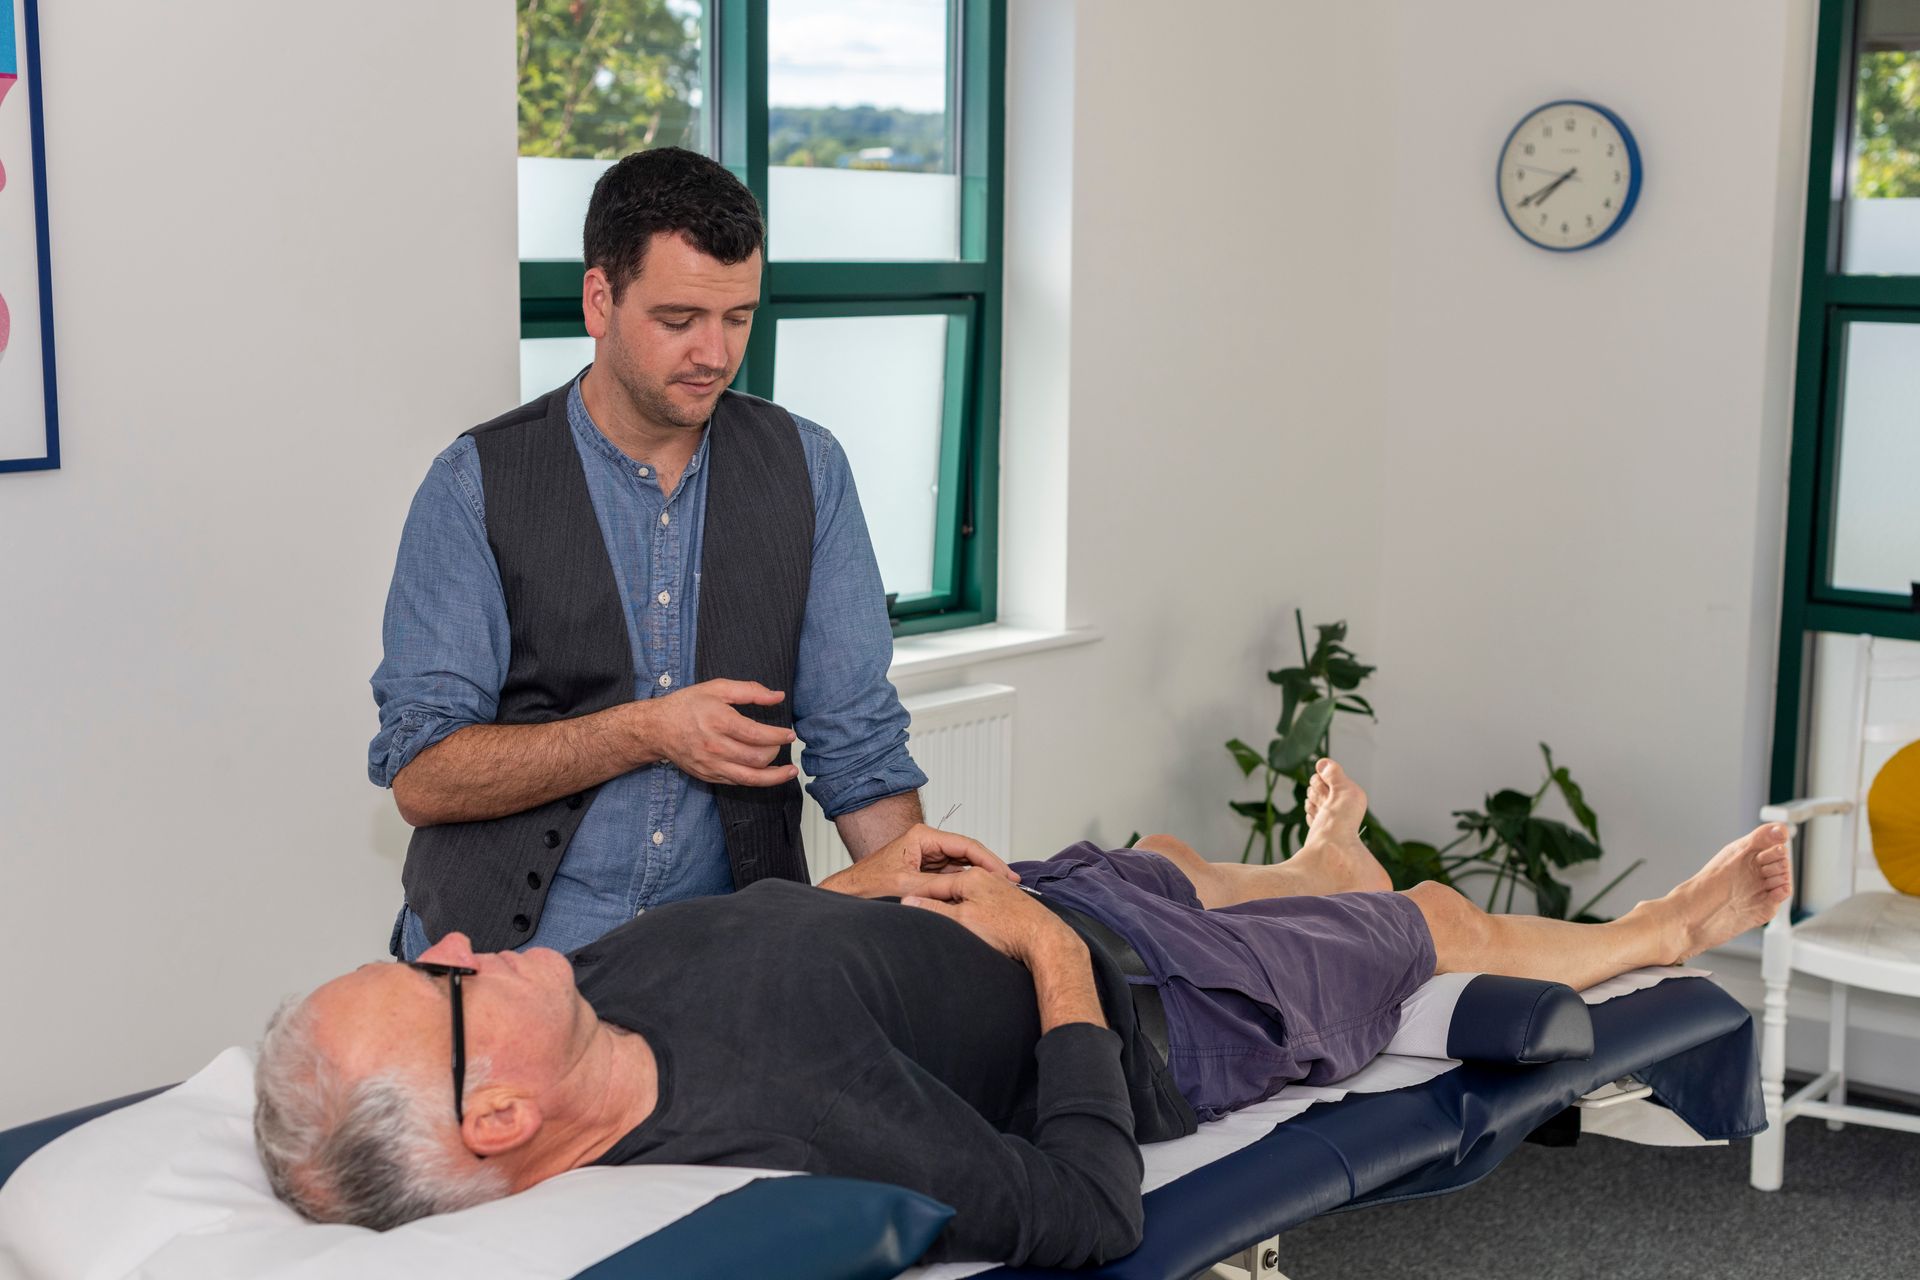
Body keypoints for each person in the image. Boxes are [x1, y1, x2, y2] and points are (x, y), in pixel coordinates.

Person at [256, 761, 1792, 1268]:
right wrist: (1050, 957)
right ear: (499, 1120)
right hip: (1162, 1013)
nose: (458, 940)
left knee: (1184, 855)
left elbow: (775, 927)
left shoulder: (590, 993)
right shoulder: (805, 1118)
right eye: (440, 985)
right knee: (1434, 925)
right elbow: (1087, 1209)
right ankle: (1666, 926)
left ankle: (1318, 860)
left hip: (1038, 904)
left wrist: (900, 878)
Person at [368, 147, 927, 961]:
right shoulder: (472, 485)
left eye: (738, 317)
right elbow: (424, 774)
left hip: (722, 959)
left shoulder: (809, 469)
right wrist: (647, 731)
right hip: (504, 966)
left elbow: (860, 742)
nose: (715, 353)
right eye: (678, 321)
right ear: (600, 300)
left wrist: (922, 906)